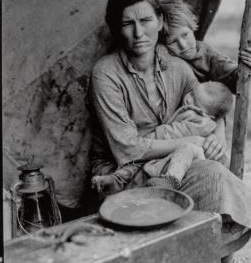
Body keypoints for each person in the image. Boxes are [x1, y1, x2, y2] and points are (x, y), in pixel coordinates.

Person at [89, 0, 251, 233]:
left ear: (160, 22)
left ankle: (201, 249)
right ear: (116, 28)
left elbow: (205, 105)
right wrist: (194, 142)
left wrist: (218, 132)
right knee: (210, 172)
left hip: (167, 169)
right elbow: (128, 148)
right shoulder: (106, 73)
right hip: (123, 176)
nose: (138, 33)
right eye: (127, 24)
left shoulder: (177, 66)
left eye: (145, 21)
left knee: (216, 169)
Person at [91, 80, 233, 195]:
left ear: (209, 116)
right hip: (169, 153)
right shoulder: (195, 112)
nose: (188, 99)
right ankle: (116, 180)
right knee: (138, 162)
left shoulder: (201, 123)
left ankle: (170, 181)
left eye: (195, 103)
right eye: (192, 93)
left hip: (187, 158)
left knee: (186, 149)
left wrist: (152, 137)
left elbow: (174, 132)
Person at [161, 0, 251, 89]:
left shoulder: (207, 54)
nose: (182, 45)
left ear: (192, 28)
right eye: (173, 42)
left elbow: (232, 75)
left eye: (185, 35)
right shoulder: (164, 56)